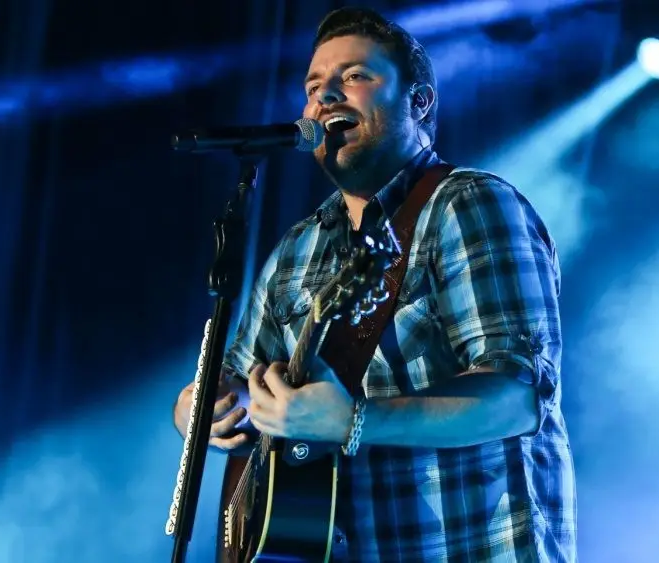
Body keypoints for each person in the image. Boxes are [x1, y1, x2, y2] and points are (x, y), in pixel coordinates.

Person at [173, 6, 577, 562]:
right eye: (313, 86)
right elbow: (237, 379)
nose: (325, 95)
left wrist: (353, 421)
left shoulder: (469, 205)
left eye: (355, 75)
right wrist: (206, 410)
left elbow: (518, 399)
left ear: (419, 101)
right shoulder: (297, 249)